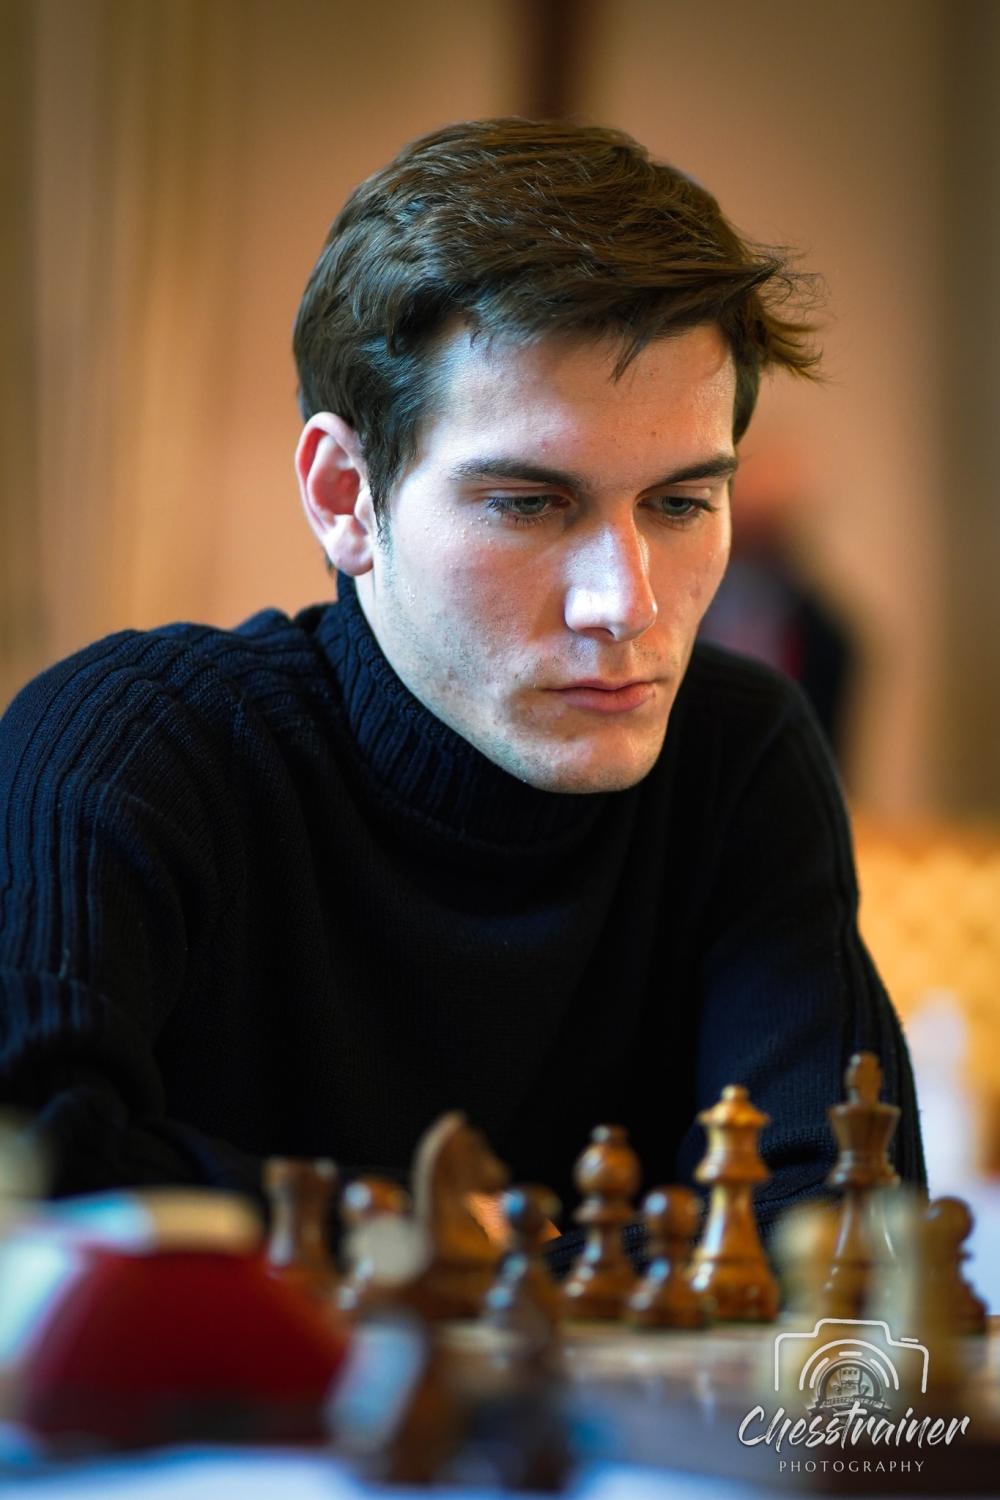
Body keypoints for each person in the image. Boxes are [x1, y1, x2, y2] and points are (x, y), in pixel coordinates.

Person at [0, 119, 924, 1246]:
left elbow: (837, 1227)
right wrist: (458, 1242)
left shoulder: (738, 749)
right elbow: (35, 1170)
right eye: (529, 504)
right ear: (344, 496)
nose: (623, 604)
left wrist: (438, 1247)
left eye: (681, 503)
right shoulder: (130, 748)